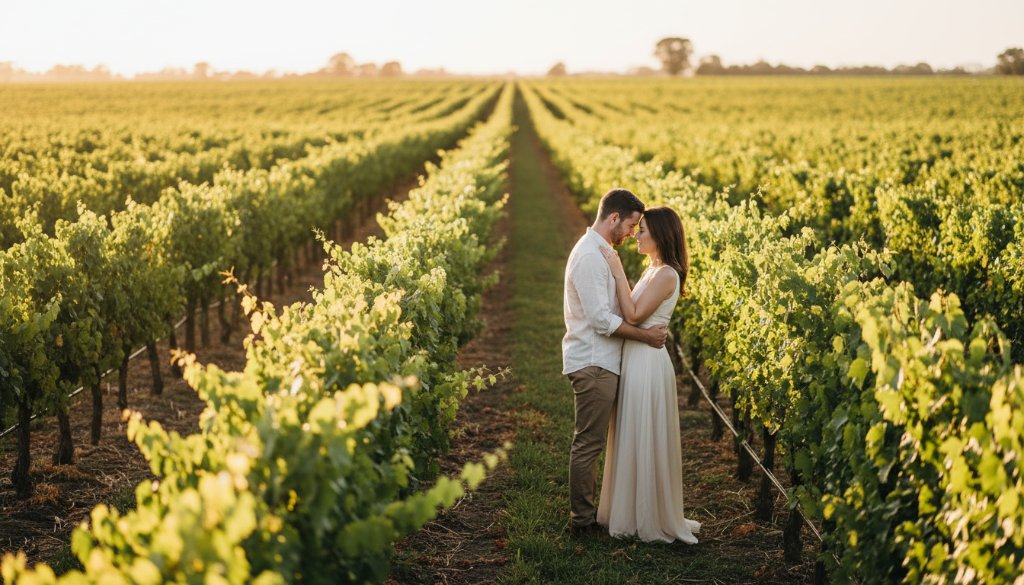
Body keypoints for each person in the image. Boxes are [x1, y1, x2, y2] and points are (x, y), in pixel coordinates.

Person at [562, 188, 669, 537]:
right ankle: (581, 522)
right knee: (588, 443)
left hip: (602, 361)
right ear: (613, 218)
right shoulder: (591, 256)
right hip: (594, 363)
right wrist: (646, 336)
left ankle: (598, 514)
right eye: (631, 225)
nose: (632, 233)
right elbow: (600, 320)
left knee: (593, 441)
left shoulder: (601, 252)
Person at [595, 205, 700, 543]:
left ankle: (648, 517)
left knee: (643, 432)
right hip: (637, 358)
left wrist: (616, 270)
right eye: (637, 228)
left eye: (643, 230)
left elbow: (636, 315)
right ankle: (631, 511)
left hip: (648, 364)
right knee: (632, 431)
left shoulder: (667, 273)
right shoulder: (653, 269)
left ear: (660, 235)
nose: (636, 234)